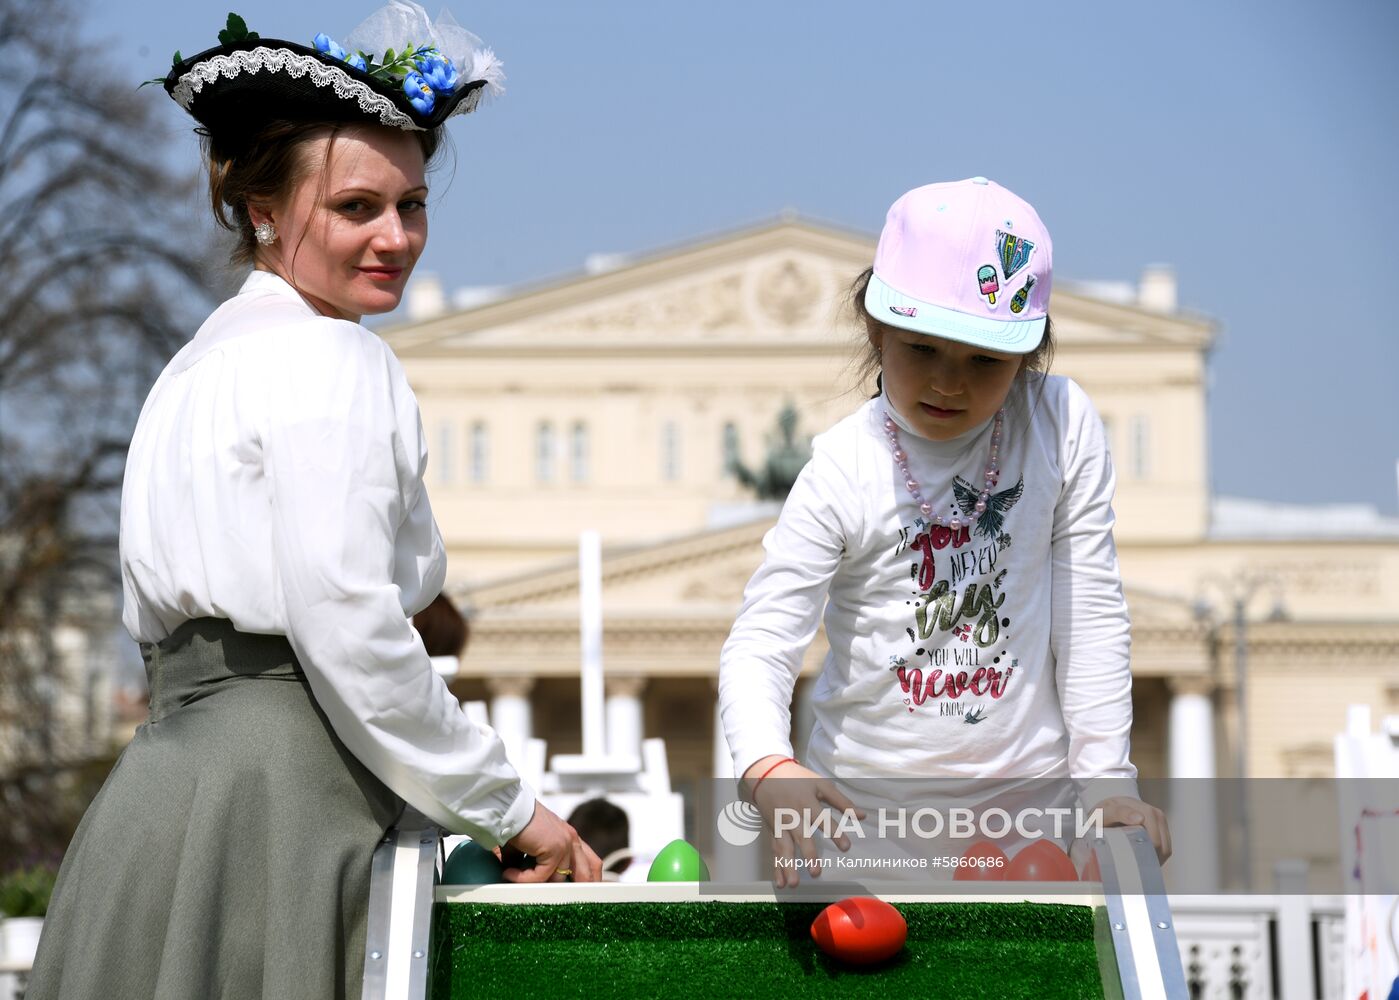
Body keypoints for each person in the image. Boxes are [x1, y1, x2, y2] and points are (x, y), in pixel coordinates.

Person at [28, 6, 599, 998]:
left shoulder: (198, 363)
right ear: (263, 209)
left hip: (165, 794)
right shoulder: (332, 357)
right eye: (356, 208)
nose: (396, 236)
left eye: (411, 203)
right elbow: (347, 619)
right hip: (287, 799)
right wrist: (509, 807)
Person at [718, 177, 1170, 887]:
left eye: (984, 361)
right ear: (875, 329)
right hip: (864, 828)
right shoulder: (843, 462)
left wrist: (1107, 781)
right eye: (921, 349)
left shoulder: (1058, 422)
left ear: (1028, 356)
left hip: (1035, 821)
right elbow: (760, 642)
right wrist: (768, 766)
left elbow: (1087, 609)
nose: (949, 384)